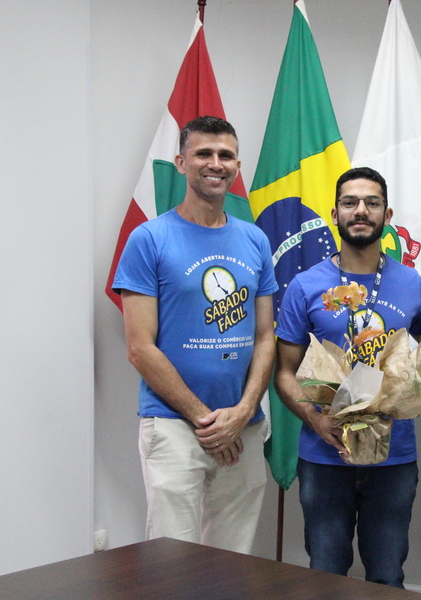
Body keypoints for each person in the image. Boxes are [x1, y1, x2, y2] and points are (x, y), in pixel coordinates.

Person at [112, 116, 276, 553]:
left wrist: (242, 412)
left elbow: (265, 336)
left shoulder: (255, 241)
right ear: (182, 162)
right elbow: (138, 347)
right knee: (172, 560)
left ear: (237, 166)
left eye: (225, 155)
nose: (215, 163)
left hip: (242, 426)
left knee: (232, 559)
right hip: (174, 426)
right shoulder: (149, 239)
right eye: (204, 153)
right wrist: (206, 420)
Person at [274, 167, 421, 589]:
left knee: (386, 575)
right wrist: (314, 419)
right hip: (324, 455)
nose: (360, 210)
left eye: (371, 202)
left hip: (393, 458)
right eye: (350, 202)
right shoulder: (305, 287)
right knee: (326, 572)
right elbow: (283, 372)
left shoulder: (413, 283)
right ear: (335, 213)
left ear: (387, 214)